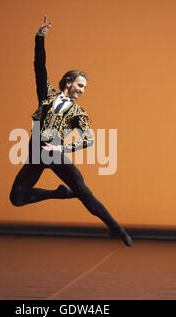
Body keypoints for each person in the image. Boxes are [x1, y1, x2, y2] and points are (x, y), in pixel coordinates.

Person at [9, 16, 132, 247]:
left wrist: (61, 147)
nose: (82, 91)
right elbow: (39, 67)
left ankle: (116, 228)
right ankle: (59, 193)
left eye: (84, 87)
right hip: (35, 154)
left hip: (55, 153)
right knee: (17, 198)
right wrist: (40, 37)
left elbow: (90, 138)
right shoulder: (46, 97)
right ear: (68, 82)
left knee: (85, 193)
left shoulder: (78, 112)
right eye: (80, 85)